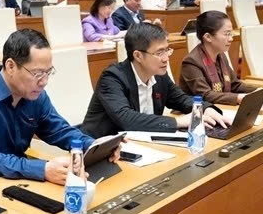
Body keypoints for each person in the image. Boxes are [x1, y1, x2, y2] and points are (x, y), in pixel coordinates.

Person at [0, 29, 121, 189]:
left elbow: (60, 131)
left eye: (48, 72)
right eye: (37, 73)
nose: (44, 81)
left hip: (17, 181)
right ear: (10, 66)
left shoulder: (36, 96)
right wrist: (42, 169)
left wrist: (96, 147)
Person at [80, 23, 229, 138]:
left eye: (167, 50)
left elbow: (182, 99)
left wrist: (205, 108)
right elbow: (127, 119)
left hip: (142, 144)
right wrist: (179, 121)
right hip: (103, 150)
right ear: (138, 55)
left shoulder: (159, 75)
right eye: (159, 52)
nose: (166, 58)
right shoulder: (113, 78)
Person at [179, 11, 263, 105]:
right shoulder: (191, 62)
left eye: (231, 34)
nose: (231, 39)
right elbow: (206, 95)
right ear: (208, 37)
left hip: (221, 108)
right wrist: (240, 98)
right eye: (226, 34)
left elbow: (235, 85)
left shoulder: (220, 55)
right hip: (198, 114)